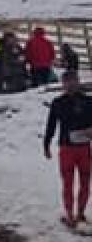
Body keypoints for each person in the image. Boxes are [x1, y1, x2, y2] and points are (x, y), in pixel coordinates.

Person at [44, 68, 92, 228]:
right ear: (63, 84)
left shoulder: (88, 101)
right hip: (66, 148)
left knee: (85, 182)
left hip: (84, 148)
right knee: (68, 183)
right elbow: (51, 125)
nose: (71, 85)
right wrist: (46, 143)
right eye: (67, 82)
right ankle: (70, 213)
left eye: (74, 81)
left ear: (78, 82)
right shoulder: (58, 103)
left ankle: (80, 212)